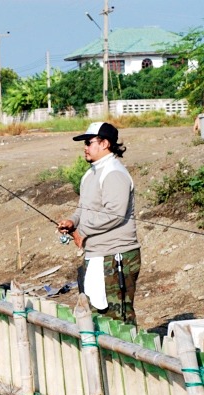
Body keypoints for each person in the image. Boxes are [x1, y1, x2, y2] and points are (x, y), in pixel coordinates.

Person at [57, 122, 141, 326]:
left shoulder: (113, 173)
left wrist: (82, 231)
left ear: (105, 144)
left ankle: (128, 357)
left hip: (116, 256)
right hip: (96, 256)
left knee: (118, 318)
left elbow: (115, 214)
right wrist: (72, 222)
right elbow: (83, 208)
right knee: (99, 316)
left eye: (89, 142)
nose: (85, 147)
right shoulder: (90, 173)